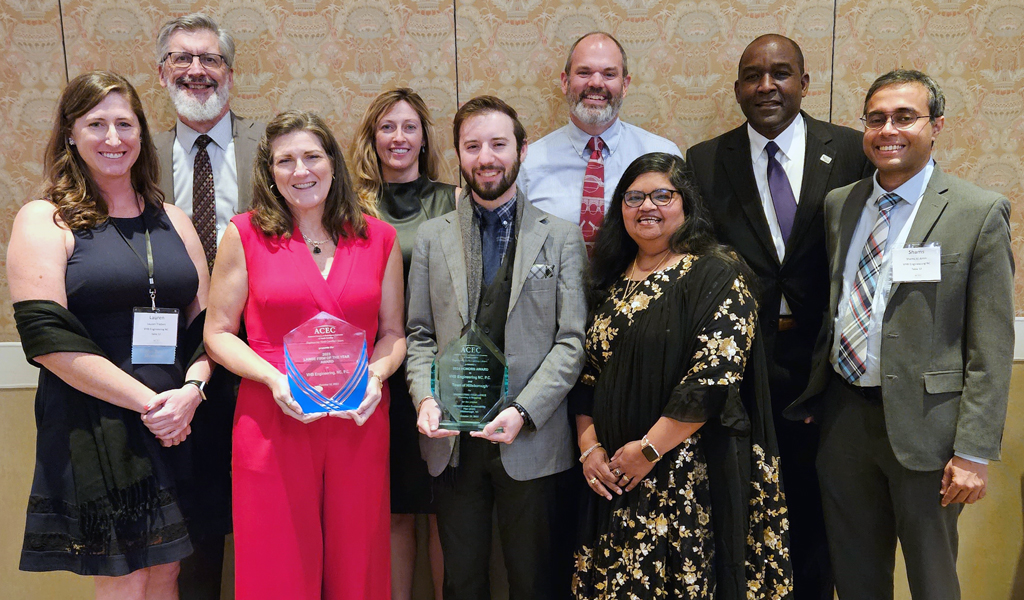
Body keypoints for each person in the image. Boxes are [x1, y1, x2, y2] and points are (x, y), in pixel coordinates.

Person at [786, 70, 1014, 600]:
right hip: (843, 423)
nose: (888, 129)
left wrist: (973, 452)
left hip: (928, 433)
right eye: (876, 118)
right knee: (856, 576)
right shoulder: (841, 204)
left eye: (904, 117)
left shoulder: (977, 212)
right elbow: (838, 301)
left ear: (935, 125)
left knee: (933, 579)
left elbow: (992, 345)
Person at [8, 71, 212, 598]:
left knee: (170, 568)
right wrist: (151, 403)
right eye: (96, 124)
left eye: (125, 123)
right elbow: (46, 336)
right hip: (95, 418)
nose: (113, 138)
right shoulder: (45, 218)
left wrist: (190, 392)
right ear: (70, 134)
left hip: (179, 418)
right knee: (123, 575)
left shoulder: (172, 219)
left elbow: (208, 327)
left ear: (143, 134)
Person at [684, 34, 871, 600]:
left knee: (819, 509)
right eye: (753, 75)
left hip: (827, 366)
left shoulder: (851, 150)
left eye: (781, 73)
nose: (767, 86)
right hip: (747, 365)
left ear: (805, 83)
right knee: (747, 507)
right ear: (738, 88)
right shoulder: (705, 159)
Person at [571, 152, 792, 600]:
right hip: (614, 478)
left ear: (686, 204)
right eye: (633, 197)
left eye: (662, 195)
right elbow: (586, 377)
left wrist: (649, 449)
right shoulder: (609, 281)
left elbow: (714, 377)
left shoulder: (718, 271)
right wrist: (589, 448)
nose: (646, 206)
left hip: (691, 475)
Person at [204, 110, 405, 600]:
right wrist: (274, 379)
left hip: (358, 417)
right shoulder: (245, 234)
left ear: (333, 163)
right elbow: (218, 333)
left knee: (358, 562)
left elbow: (393, 332)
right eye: (285, 160)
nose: (301, 171)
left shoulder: (380, 237)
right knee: (276, 563)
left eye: (312, 156)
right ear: (269, 172)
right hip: (273, 416)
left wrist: (377, 377)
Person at [405, 95, 587, 600]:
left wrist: (526, 412)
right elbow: (418, 333)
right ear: (459, 156)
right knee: (461, 581)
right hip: (453, 441)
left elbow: (572, 342)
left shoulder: (562, 238)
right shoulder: (431, 238)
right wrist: (425, 397)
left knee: (534, 580)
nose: (486, 157)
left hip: (531, 438)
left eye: (498, 144)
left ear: (521, 150)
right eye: (472, 146)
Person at [153, 14, 265, 597]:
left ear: (230, 72)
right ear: (162, 71)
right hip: (167, 364)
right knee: (188, 520)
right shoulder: (134, 156)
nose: (197, 70)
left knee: (262, 511)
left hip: (261, 358)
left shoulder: (273, 148)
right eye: (182, 58)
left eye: (211, 59)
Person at [350, 88, 455, 600]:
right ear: (373, 136)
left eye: (409, 127)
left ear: (423, 136)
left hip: (435, 368)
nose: (399, 137)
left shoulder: (450, 199)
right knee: (391, 507)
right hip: (371, 368)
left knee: (442, 509)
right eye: (388, 127)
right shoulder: (347, 204)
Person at [520, 31, 682, 249]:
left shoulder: (662, 155)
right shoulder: (528, 164)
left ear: (625, 85)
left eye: (609, 74)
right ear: (565, 82)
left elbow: (680, 242)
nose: (596, 83)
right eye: (584, 72)